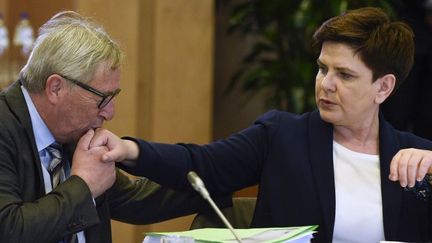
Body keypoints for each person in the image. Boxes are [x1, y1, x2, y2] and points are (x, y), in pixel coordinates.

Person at [91, 7, 432, 243]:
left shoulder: (418, 158)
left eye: (344, 75)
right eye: (322, 69)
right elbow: (201, 164)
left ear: (383, 87)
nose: (326, 84)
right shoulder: (282, 137)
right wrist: (129, 149)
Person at [0, 11, 230, 243]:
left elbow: (137, 199)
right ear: (56, 88)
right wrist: (83, 186)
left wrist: (230, 171)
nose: (110, 113)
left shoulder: (71, 132)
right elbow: (9, 230)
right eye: (102, 98)